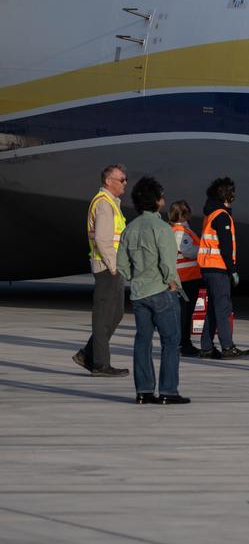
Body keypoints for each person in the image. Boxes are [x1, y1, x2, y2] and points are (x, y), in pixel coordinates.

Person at [117, 176, 190, 405]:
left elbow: (121, 265)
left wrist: (135, 278)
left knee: (143, 341)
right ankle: (168, 391)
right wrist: (171, 282)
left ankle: (144, 391)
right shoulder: (162, 228)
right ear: (157, 200)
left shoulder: (130, 228)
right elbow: (168, 262)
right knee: (171, 340)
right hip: (161, 291)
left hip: (139, 293)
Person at [74, 164, 130, 377]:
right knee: (104, 316)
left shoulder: (111, 202)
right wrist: (113, 267)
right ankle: (100, 364)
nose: (125, 183)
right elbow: (102, 239)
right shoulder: (104, 204)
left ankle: (88, 354)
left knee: (115, 313)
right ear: (108, 181)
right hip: (107, 266)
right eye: (122, 179)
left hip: (112, 266)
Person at [197, 177, 249, 359]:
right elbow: (226, 247)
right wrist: (232, 270)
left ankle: (206, 347)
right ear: (226, 194)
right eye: (232, 192)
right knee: (223, 308)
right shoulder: (222, 216)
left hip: (208, 268)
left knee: (213, 308)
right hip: (218, 268)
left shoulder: (210, 214)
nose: (234, 195)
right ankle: (227, 346)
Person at [169, 200, 203, 356]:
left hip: (186, 278)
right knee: (185, 313)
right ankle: (184, 343)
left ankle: (183, 342)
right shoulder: (180, 232)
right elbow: (187, 250)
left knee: (184, 312)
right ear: (184, 214)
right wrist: (203, 249)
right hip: (186, 279)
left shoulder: (177, 229)